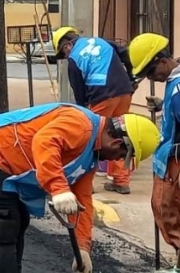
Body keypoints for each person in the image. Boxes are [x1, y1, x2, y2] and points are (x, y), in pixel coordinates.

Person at [0, 102, 159, 273]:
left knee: (20, 221)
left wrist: (82, 248)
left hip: (4, 158)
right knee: (6, 225)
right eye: (120, 155)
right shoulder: (80, 125)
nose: (115, 160)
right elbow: (44, 141)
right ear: (116, 143)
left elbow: (82, 201)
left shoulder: (90, 153)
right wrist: (59, 188)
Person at [127, 33, 180, 273]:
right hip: (171, 156)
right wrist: (165, 105)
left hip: (179, 159)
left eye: (151, 73)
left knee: (173, 211)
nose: (151, 78)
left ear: (162, 61)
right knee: (164, 208)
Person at [53, 26, 137, 194]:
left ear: (67, 46)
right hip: (124, 92)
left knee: (92, 139)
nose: (66, 57)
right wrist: (130, 78)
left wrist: (83, 114)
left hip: (101, 97)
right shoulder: (102, 41)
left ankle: (85, 183)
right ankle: (121, 181)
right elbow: (127, 54)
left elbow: (79, 93)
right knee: (120, 135)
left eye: (63, 54)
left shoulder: (74, 60)